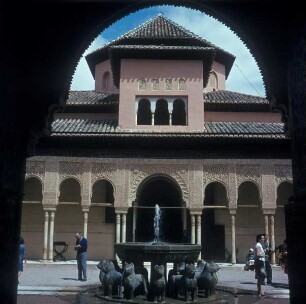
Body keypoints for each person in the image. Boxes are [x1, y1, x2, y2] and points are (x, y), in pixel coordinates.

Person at [254, 233, 266, 298]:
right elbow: (258, 254)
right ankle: (261, 291)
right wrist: (264, 255)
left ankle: (259, 291)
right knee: (261, 277)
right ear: (259, 239)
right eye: (262, 238)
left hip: (259, 262)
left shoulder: (258, 244)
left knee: (259, 277)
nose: (263, 239)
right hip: (260, 262)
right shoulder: (258, 245)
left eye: (263, 238)